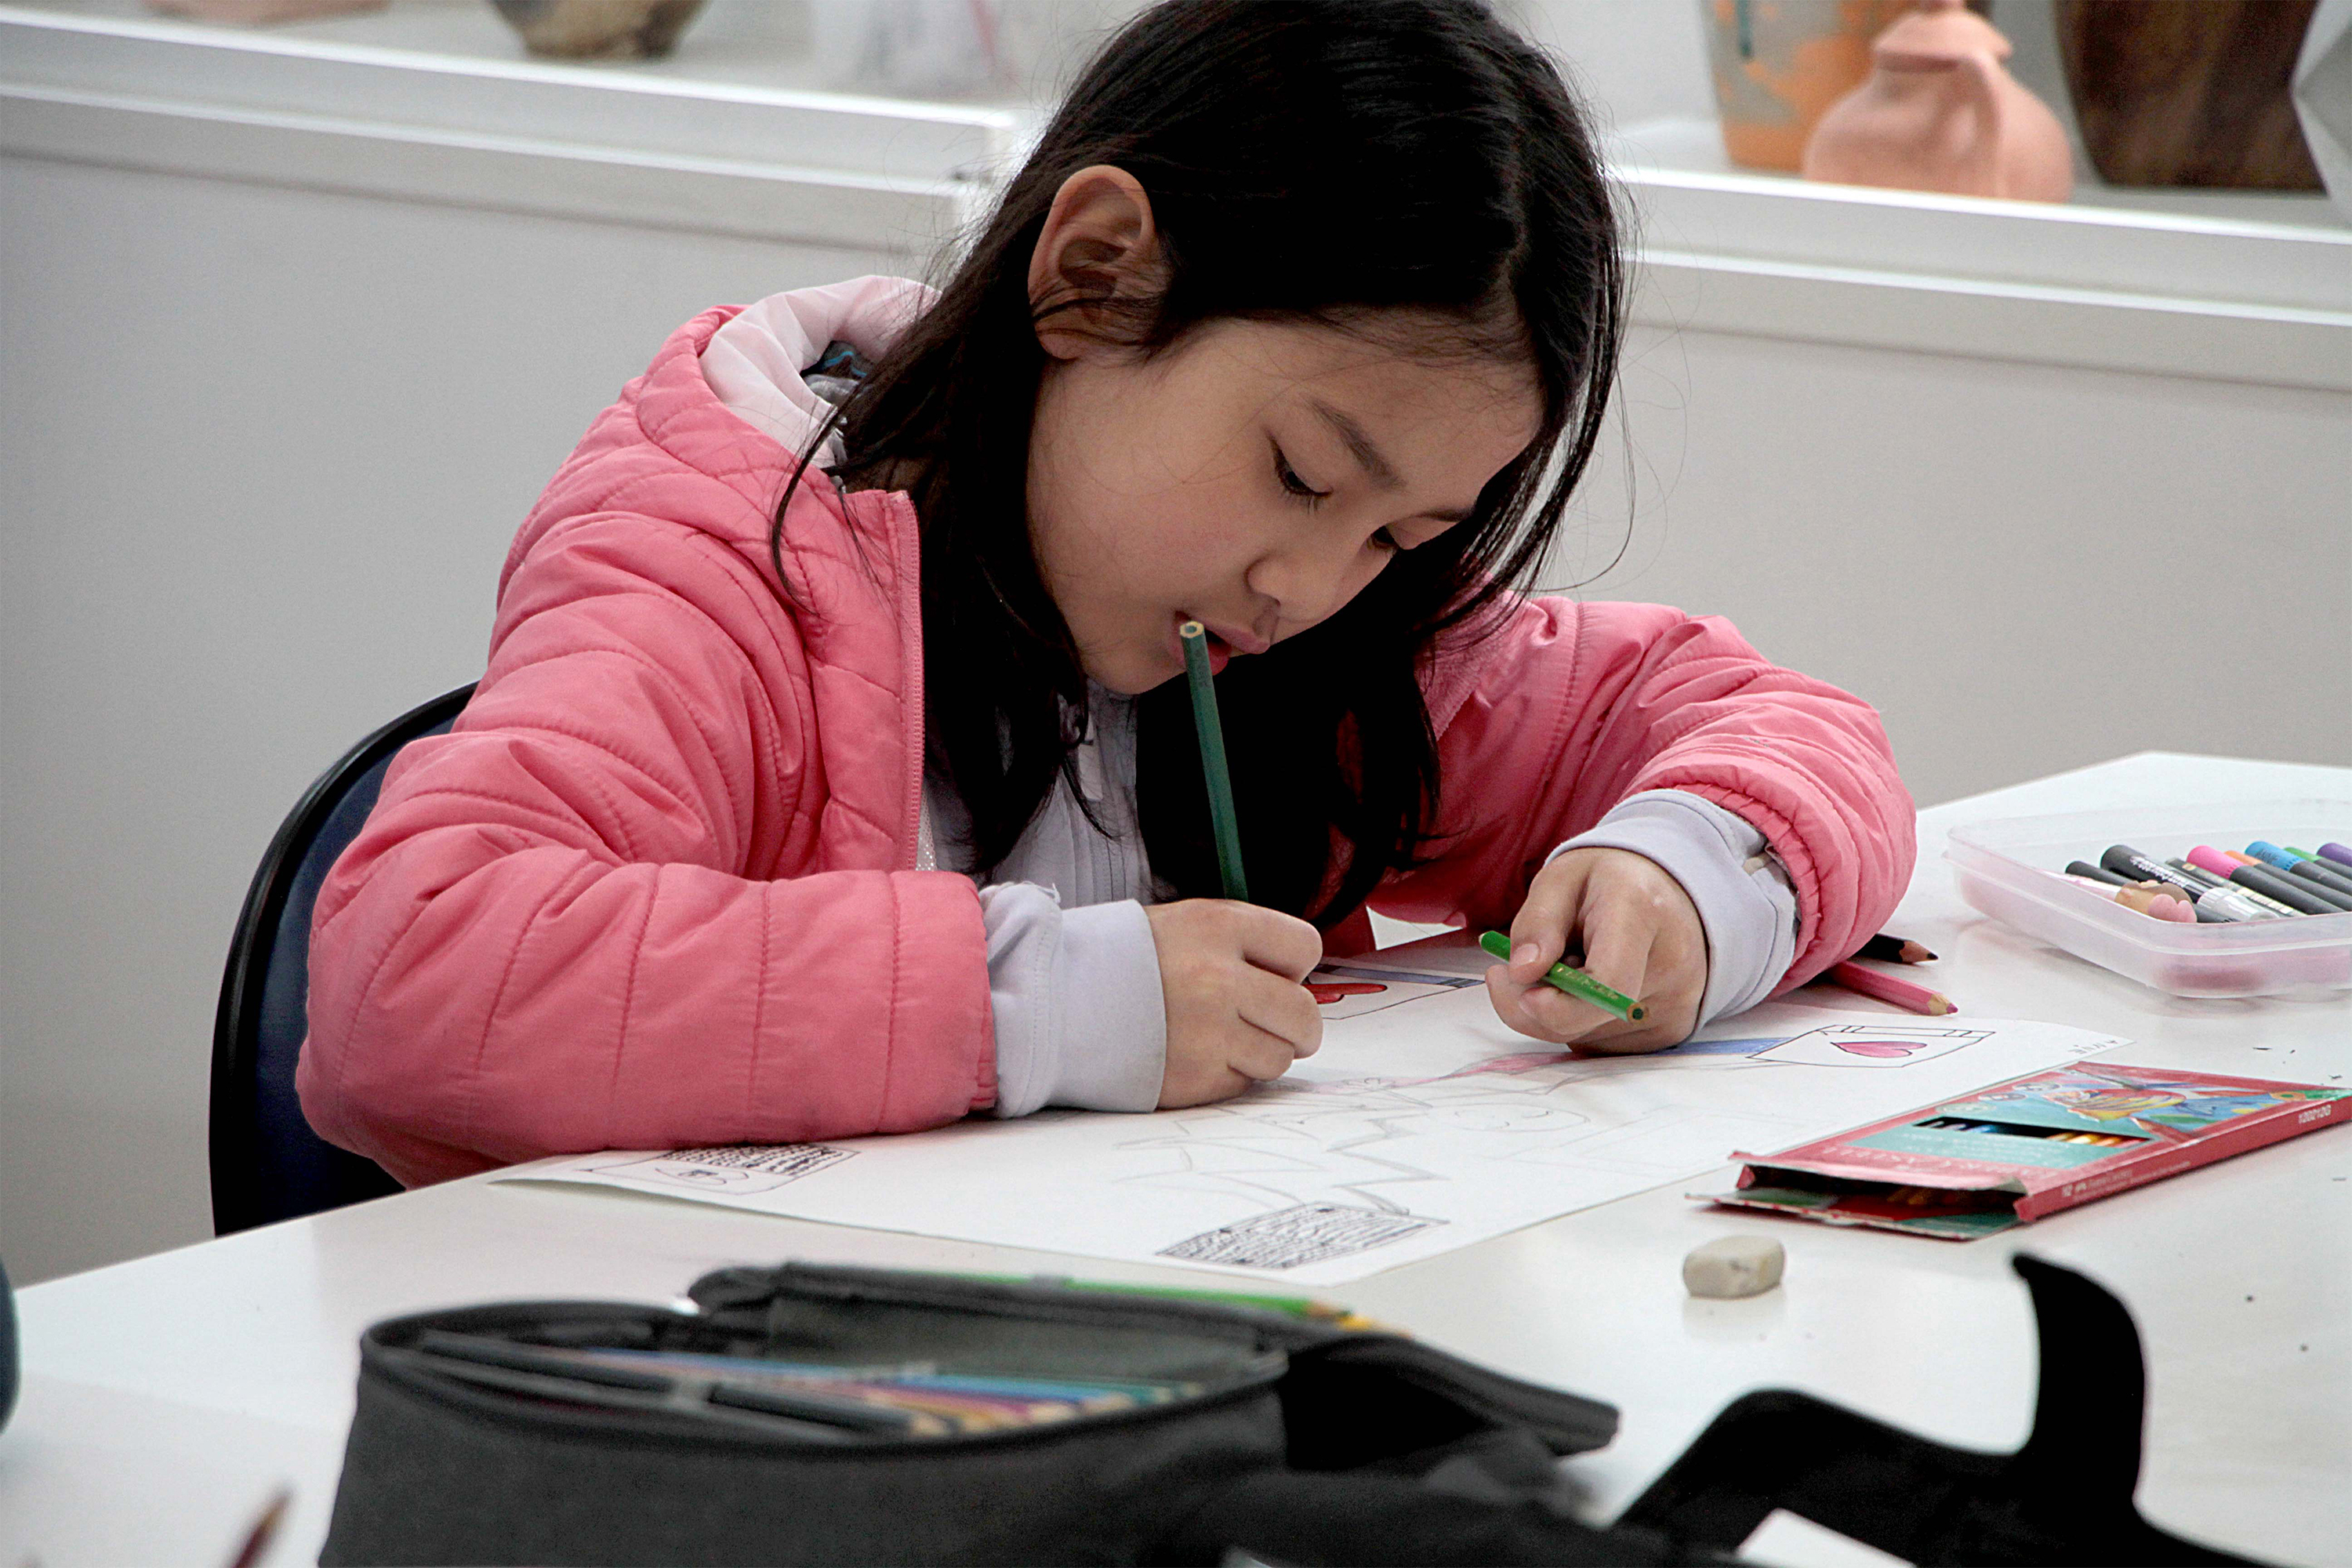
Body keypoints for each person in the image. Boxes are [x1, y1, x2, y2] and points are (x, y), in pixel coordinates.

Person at [299, 0, 1913, 1187]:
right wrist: (1037, 1006)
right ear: (1093, 277)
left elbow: (1770, 724)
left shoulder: (1315, 637)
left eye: (1402, 536)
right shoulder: (730, 556)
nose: (1315, 584)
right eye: (1298, 472)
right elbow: (406, 979)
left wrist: (1697, 874)